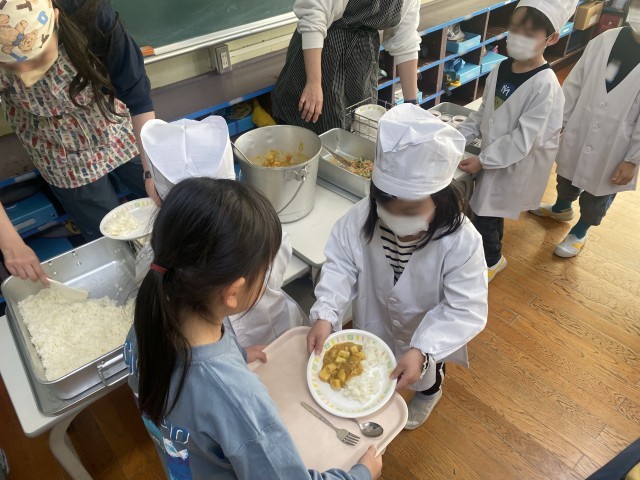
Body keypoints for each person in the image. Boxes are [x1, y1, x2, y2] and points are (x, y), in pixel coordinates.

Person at [125, 178, 382, 480]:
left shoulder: (146, 324)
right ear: (233, 292)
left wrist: (235, 353)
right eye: (264, 271)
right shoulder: (236, 398)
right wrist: (361, 474)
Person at [306, 104, 488, 430]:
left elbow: (465, 307)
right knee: (376, 364)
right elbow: (341, 264)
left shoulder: (461, 242)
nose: (398, 219)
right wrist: (326, 313)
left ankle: (430, 392)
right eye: (388, 207)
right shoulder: (361, 216)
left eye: (412, 210)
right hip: (375, 319)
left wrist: (425, 348)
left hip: (427, 328)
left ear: (440, 199)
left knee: (424, 372)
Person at [0, 0, 157, 284]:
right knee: (107, 238)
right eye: (10, 66)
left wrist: (152, 173)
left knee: (165, 196)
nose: (26, 74)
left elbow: (138, 97)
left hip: (111, 122)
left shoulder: (88, 10)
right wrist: (10, 244)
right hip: (54, 145)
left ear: (56, 18)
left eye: (36, 58)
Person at [138, 116, 307, 347]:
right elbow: (278, 263)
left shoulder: (155, 256)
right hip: (257, 337)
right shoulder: (257, 233)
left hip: (267, 337)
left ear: (160, 199)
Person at [457, 0, 575, 281]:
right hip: (494, 155)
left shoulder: (545, 85)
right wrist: (457, 136)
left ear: (551, 39)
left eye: (529, 34)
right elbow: (484, 112)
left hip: (511, 163)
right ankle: (484, 254)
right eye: (514, 29)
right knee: (486, 209)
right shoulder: (501, 68)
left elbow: (524, 139)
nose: (518, 38)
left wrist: (483, 160)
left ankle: (492, 261)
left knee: (485, 213)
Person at [531, 0, 640, 257]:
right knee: (566, 174)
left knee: (598, 193)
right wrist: (560, 121)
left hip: (618, 144)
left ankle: (581, 230)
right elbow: (575, 84)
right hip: (581, 126)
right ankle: (561, 208)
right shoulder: (606, 40)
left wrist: (632, 160)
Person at [271, 0, 420, 134]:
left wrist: (412, 103)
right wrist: (313, 83)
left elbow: (405, 40)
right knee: (311, 124)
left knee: (358, 124)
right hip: (321, 52)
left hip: (360, 59)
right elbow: (313, 16)